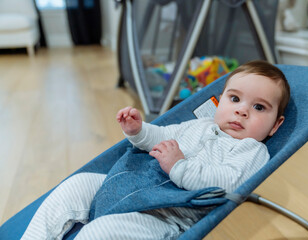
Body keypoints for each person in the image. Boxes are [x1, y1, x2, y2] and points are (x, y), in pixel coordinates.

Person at [20, 60, 290, 240]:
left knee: (101, 231)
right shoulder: (201, 124)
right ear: (220, 102)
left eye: (259, 107)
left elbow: (229, 185)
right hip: (133, 183)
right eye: (235, 98)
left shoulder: (252, 151)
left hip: (166, 214)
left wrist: (179, 167)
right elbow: (162, 136)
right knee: (77, 185)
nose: (242, 110)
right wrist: (139, 131)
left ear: (275, 125)